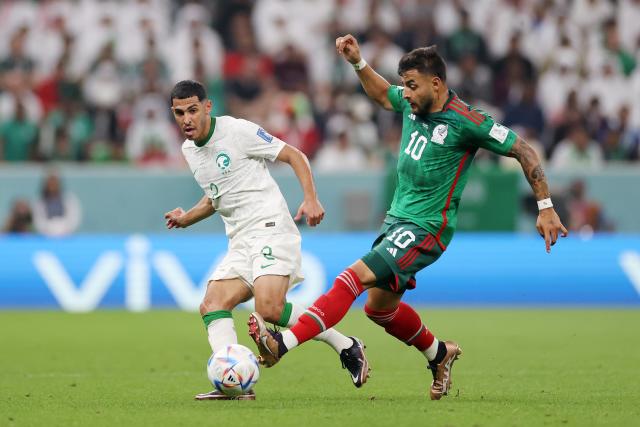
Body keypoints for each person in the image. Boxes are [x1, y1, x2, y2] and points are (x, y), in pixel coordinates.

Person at [249, 36, 568, 401]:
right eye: (407, 86)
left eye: (413, 86)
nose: (408, 94)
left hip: (426, 228)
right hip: (396, 223)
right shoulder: (411, 102)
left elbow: (523, 149)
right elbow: (384, 94)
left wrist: (545, 207)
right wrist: (357, 63)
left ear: (437, 83)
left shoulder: (468, 121)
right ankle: (439, 353)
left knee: (351, 279)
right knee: (379, 309)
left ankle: (282, 344)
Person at [164, 80, 369, 401]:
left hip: (270, 225)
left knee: (269, 308)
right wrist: (186, 217)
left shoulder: (236, 131)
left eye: (192, 110)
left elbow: (295, 155)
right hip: (240, 240)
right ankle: (231, 383)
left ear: (207, 107)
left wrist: (311, 199)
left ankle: (346, 345)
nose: (186, 119)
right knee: (212, 304)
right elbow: (215, 196)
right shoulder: (189, 151)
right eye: (179, 113)